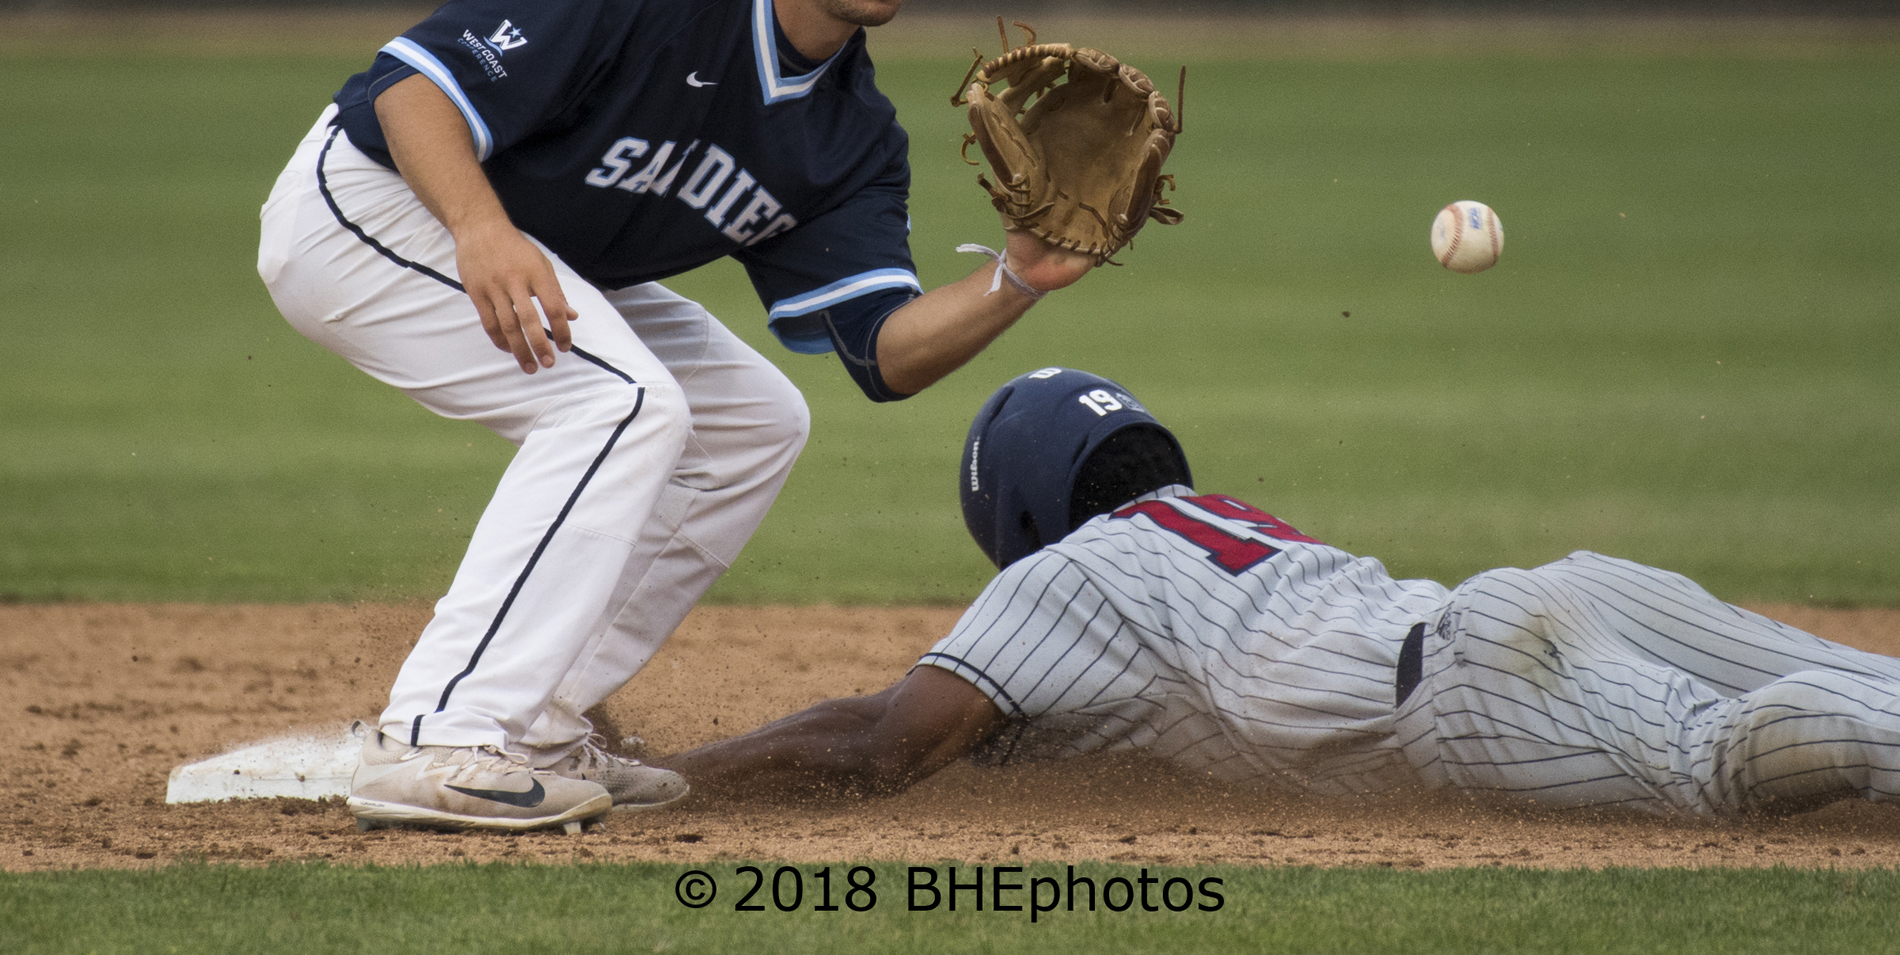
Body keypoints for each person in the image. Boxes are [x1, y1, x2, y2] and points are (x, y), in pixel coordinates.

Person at [257, 0, 1095, 834]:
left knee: (755, 420)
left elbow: (886, 354)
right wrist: (480, 227)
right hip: (369, 203)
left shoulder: (850, 137)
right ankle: (439, 733)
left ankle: (538, 719)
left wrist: (1018, 274)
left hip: (521, 244)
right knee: (622, 402)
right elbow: (410, 88)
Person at [667, 367, 1900, 818]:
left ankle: (1829, 737)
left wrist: (677, 773)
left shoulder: (1066, 571)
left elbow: (889, 742)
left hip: (1476, 688)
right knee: (1862, 680)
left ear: (1021, 518)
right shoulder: (1217, 524)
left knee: (1717, 763)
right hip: (1576, 590)